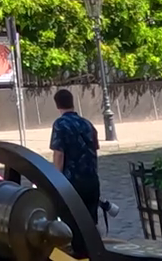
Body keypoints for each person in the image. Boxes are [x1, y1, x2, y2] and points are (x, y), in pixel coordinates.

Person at [49, 89, 116, 223]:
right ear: (72, 102)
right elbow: (94, 151)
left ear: (57, 105)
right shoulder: (87, 124)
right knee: (90, 224)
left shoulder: (60, 125)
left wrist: (56, 179)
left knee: (72, 224)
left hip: (71, 183)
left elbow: (59, 154)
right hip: (91, 181)